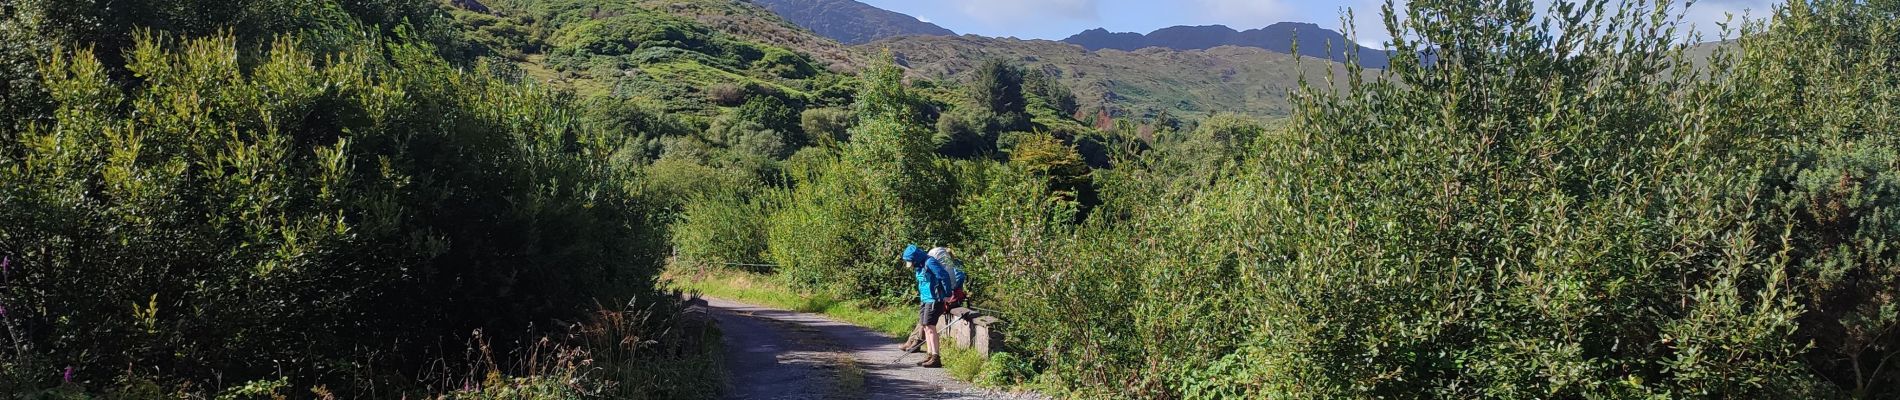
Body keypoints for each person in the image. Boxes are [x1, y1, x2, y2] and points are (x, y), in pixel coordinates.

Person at [899, 244, 949, 368]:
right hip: (925, 299)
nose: (911, 265)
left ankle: (936, 357)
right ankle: (930, 354)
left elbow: (944, 276)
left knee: (931, 327)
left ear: (916, 258)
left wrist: (948, 294)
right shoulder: (920, 266)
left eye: (911, 261)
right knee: (925, 327)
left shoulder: (930, 262)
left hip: (934, 300)